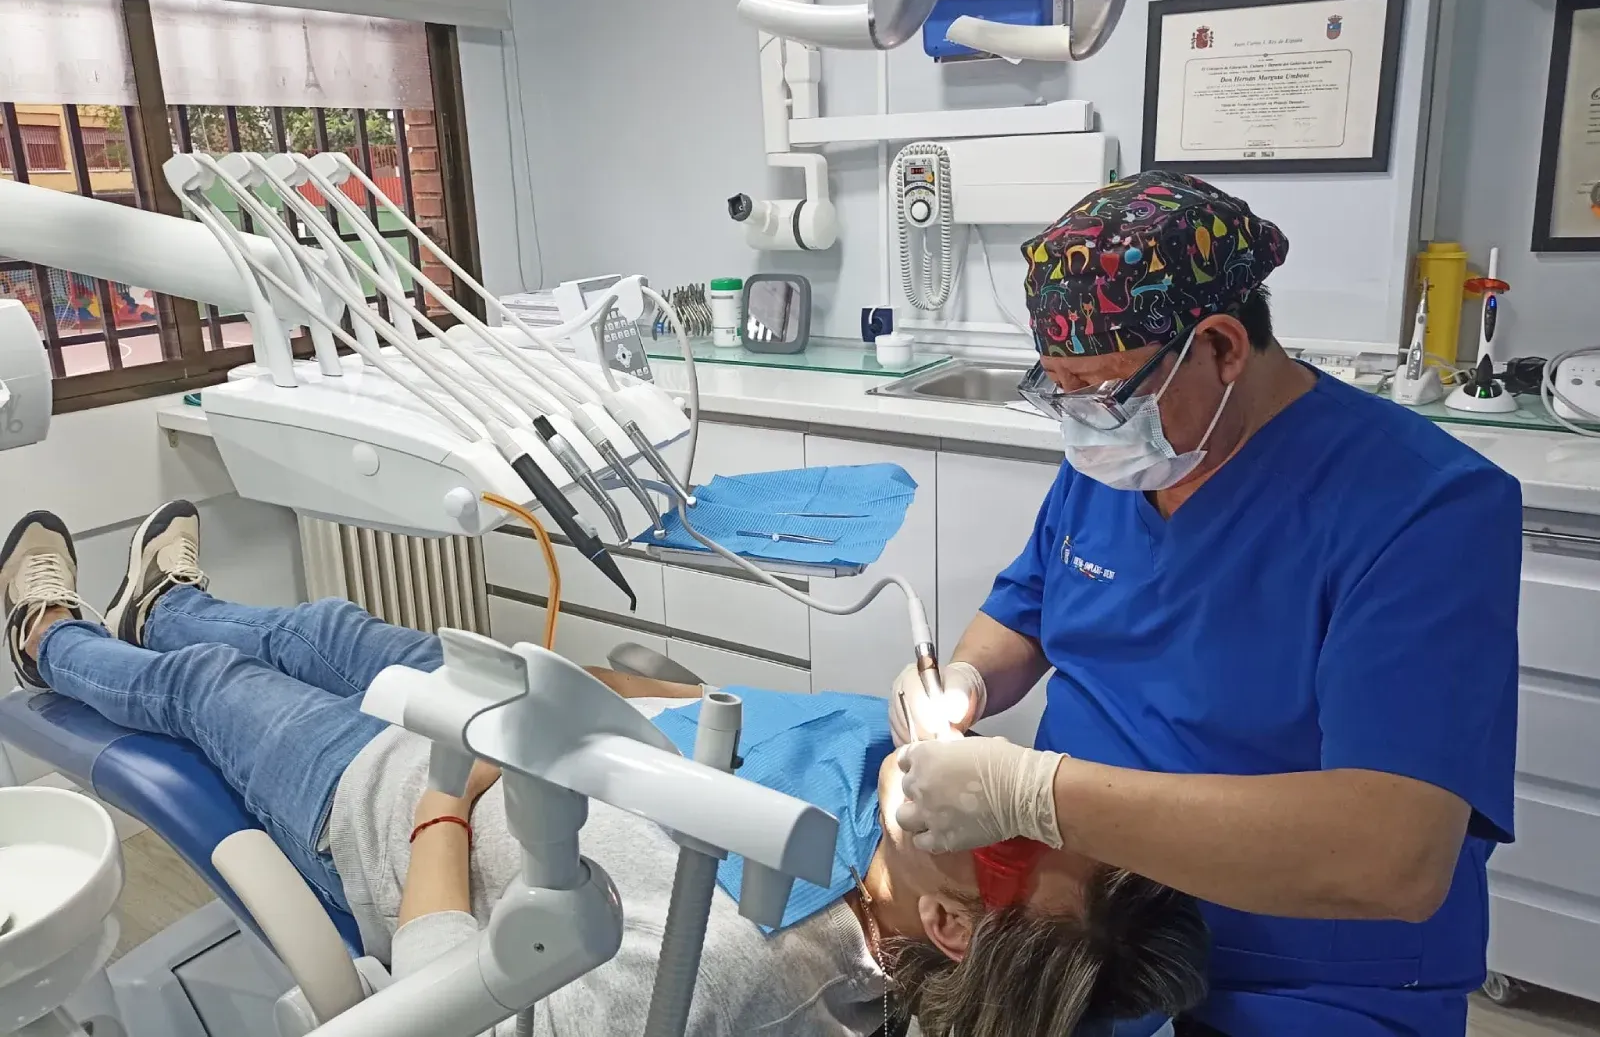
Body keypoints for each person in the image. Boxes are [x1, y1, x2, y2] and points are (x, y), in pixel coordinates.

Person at [3, 501, 1210, 1036]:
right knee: (323, 630)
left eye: (1013, 827)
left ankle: (52, 639)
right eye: (1038, 781)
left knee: (213, 699)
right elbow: (708, 716)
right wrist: (580, 686)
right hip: (523, 708)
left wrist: (440, 795)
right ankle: (167, 603)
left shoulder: (741, 967)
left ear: (950, 925)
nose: (991, 775)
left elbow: (453, 998)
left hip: (394, 787)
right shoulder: (880, 791)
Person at [888, 171, 1522, 1037]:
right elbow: (1030, 604)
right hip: (1086, 931)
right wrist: (963, 681)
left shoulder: (1420, 510)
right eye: (1058, 389)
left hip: (1301, 970)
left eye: (1103, 391)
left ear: (1223, 346)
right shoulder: (1124, 460)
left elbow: (1393, 855)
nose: (1083, 424)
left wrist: (1034, 793)